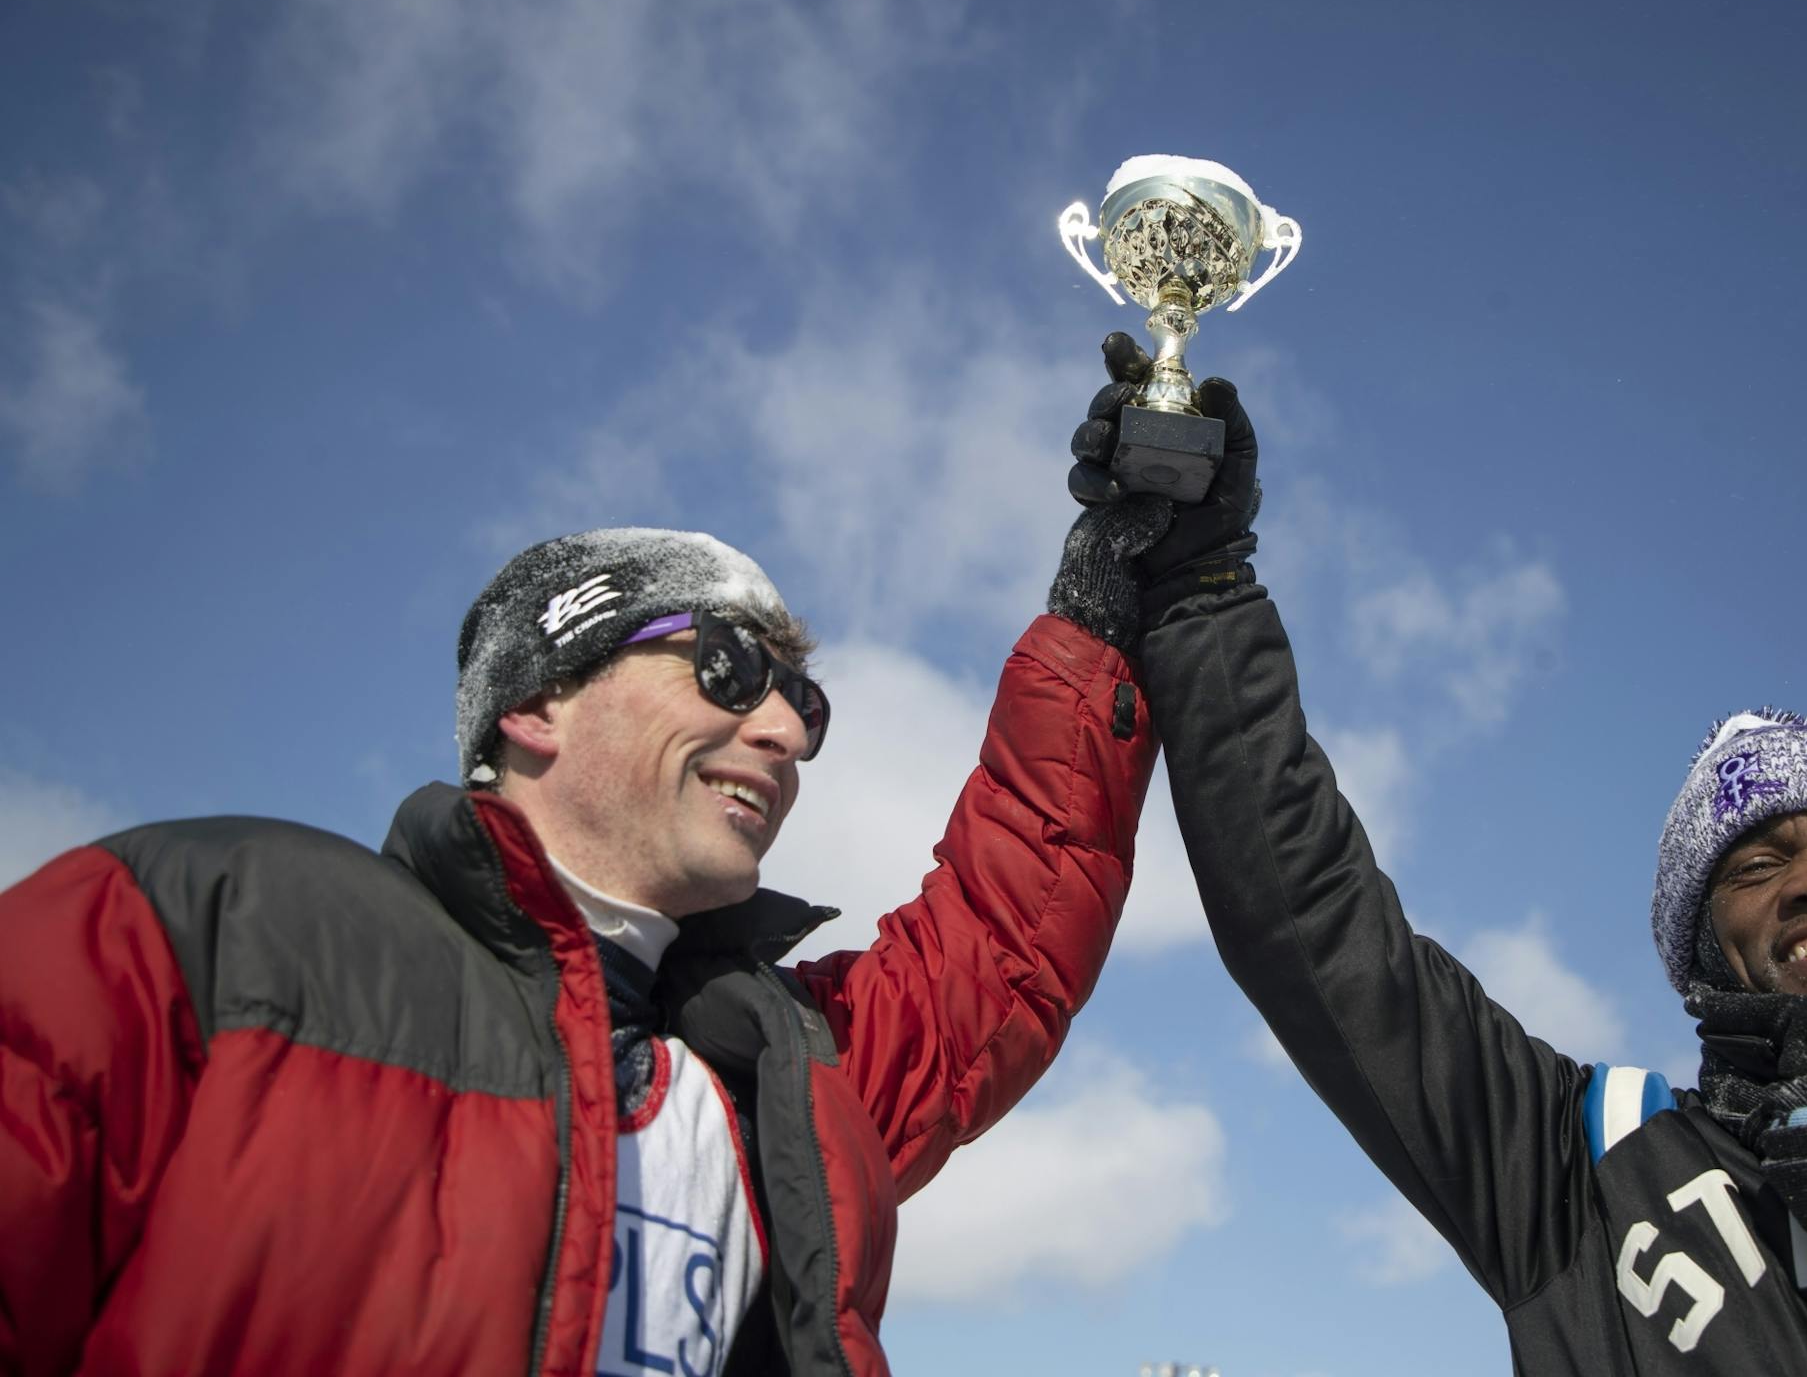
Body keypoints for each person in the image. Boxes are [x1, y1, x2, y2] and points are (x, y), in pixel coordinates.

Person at [1066, 334, 1807, 1375]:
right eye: (1755, 866)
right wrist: (1205, 589)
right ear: (1700, 946)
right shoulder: (1585, 1170)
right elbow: (1316, 929)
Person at [0, 523, 1165, 1377]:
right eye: (727, 670)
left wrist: (1102, 616)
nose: (781, 732)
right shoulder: (198, 936)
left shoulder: (789, 1076)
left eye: (801, 702)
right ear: (538, 701)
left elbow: (1006, 940)